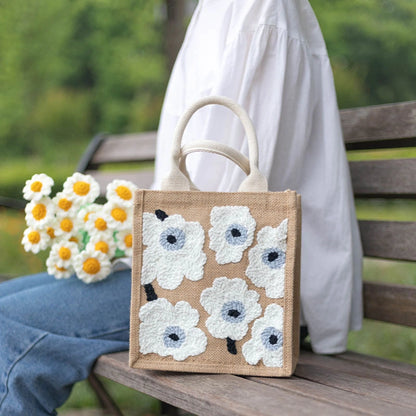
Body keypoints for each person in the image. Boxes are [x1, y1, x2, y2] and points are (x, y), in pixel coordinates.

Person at [0, 0, 362, 414]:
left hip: (234, 285)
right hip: (189, 264)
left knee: (8, 326)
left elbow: (230, 193)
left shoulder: (258, 10)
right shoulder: (222, 10)